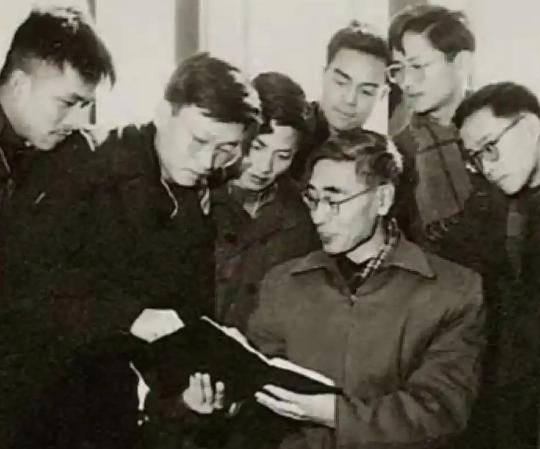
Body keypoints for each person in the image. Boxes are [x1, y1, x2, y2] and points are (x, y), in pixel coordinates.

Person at [1, 49, 259, 448]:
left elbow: (180, 316)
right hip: (27, 402)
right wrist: (127, 315)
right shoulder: (85, 159)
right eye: (199, 140)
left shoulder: (194, 204)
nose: (209, 161)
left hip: (107, 406)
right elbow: (21, 281)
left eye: (226, 149)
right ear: (163, 113)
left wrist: (193, 388)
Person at [235, 129, 485, 448]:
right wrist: (222, 401)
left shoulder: (454, 290)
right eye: (312, 198)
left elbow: (441, 409)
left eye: (334, 199)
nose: (318, 216)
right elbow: (256, 390)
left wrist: (336, 414)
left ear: (382, 199)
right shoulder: (283, 283)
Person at [0, 6, 116, 446]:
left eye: (85, 106)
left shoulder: (67, 155)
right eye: (67, 103)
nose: (77, 121)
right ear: (18, 84)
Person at [452, 82, 540, 449]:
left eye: (490, 147)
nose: (486, 167)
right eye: (475, 157)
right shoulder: (477, 214)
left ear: (529, 128)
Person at [212, 71, 320, 328]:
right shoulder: (194, 197)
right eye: (257, 147)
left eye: (282, 156)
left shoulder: (305, 215)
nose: (264, 167)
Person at [387, 5, 475, 243]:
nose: (406, 82)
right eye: (398, 70)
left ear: (461, 63)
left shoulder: (502, 129)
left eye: (417, 66)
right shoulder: (399, 153)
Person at [287, 21, 388, 180]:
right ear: (323, 75)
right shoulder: (288, 134)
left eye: (366, 91)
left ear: (382, 95)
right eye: (341, 83)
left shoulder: (379, 156)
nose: (350, 99)